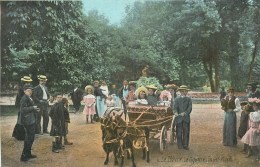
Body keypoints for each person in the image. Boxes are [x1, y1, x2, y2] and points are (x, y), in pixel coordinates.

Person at [20, 84, 39, 161]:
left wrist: (35, 109)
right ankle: (24, 156)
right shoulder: (24, 98)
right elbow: (23, 110)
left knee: (31, 138)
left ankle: (28, 154)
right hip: (27, 121)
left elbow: (29, 108)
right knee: (28, 138)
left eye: (31, 90)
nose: (30, 92)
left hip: (31, 120)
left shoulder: (29, 97)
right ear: (24, 91)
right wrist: (33, 108)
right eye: (28, 90)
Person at [12, 76, 33, 141]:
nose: (28, 83)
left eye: (29, 82)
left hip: (23, 106)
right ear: (25, 82)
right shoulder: (22, 89)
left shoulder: (26, 88)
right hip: (22, 106)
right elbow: (21, 99)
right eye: (27, 82)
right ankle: (19, 136)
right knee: (21, 120)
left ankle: (20, 135)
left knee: (22, 120)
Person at [172, 85, 192, 150]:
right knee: (178, 132)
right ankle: (179, 145)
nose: (184, 92)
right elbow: (174, 108)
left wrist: (185, 113)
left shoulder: (189, 99)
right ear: (180, 92)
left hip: (186, 118)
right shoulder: (177, 99)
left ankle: (185, 145)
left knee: (186, 132)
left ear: (187, 92)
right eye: (182, 91)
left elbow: (190, 108)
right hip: (179, 119)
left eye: (185, 91)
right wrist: (175, 113)